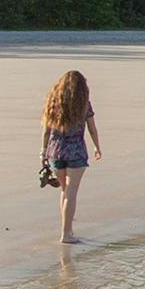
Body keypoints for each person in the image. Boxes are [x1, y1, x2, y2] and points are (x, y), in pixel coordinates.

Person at [40, 69, 101, 244]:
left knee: (64, 191)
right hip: (76, 152)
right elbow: (92, 129)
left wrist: (43, 152)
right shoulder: (84, 104)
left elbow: (46, 131)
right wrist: (97, 147)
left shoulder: (53, 101)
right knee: (71, 193)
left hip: (55, 152)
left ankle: (67, 229)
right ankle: (66, 234)